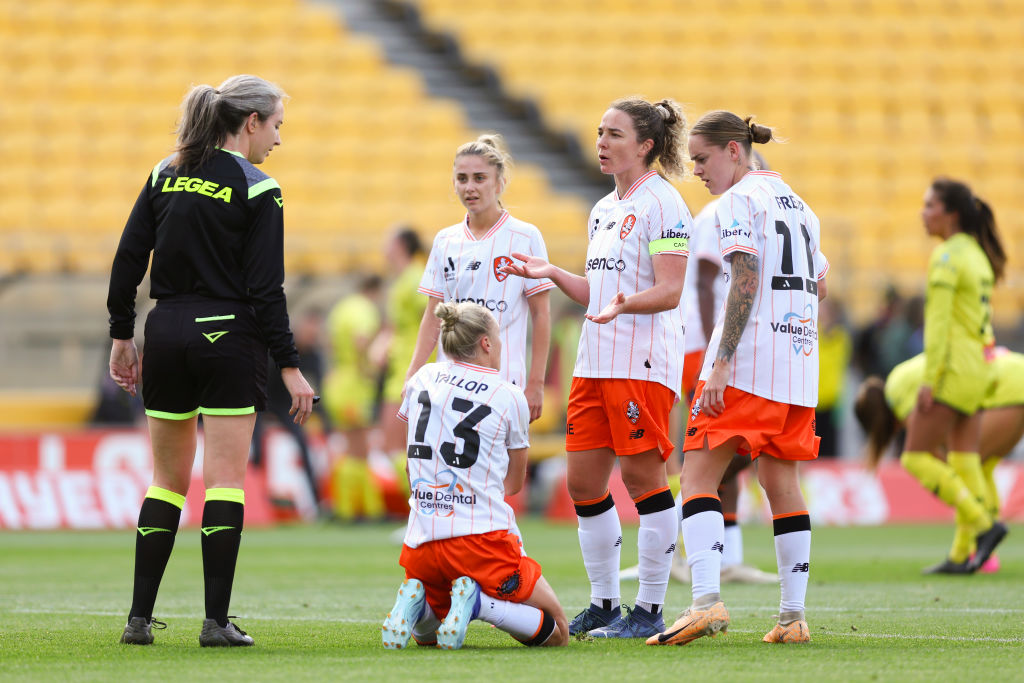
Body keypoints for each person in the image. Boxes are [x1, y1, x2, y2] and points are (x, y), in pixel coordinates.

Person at [107, 75, 315, 647]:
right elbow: (266, 290)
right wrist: (291, 366)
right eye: (275, 125)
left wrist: (122, 336)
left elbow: (128, 259)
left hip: (167, 331)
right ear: (251, 123)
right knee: (224, 482)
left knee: (166, 482)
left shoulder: (165, 172)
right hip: (228, 335)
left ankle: (139, 619)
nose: (277, 139)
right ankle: (216, 621)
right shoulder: (259, 188)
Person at [502, 97, 691, 639]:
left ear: (646, 145)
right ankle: (605, 603)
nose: (602, 143)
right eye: (599, 132)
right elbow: (597, 292)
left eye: (614, 134)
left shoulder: (665, 204)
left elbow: (671, 289)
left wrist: (625, 305)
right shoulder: (603, 208)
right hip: (593, 359)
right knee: (583, 483)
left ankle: (649, 609)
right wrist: (554, 272)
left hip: (641, 359)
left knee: (641, 478)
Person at [648, 111, 828, 648]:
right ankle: (793, 617)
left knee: (697, 477)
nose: (696, 170)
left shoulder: (735, 203)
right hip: (796, 366)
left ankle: (705, 601)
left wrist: (721, 359)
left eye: (701, 159)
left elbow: (744, 275)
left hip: (747, 363)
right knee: (782, 485)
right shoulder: (802, 207)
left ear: (733, 151)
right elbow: (818, 286)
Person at [382, 302, 568, 650]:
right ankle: (480, 604)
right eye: (498, 337)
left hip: (420, 541)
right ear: (485, 343)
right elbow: (513, 485)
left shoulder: (420, 378)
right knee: (558, 631)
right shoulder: (509, 395)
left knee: (431, 635)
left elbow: (410, 466)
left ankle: (419, 609)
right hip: (480, 542)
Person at [891, 177, 1008, 574]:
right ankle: (962, 556)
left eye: (929, 206)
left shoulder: (946, 258)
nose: (923, 214)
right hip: (980, 367)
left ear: (950, 213)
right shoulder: (976, 254)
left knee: (916, 456)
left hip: (953, 369)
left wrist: (930, 380)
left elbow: (938, 327)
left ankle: (985, 526)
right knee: (964, 457)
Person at [406, 134, 553, 423]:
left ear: (500, 182)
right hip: (449, 383)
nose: (469, 187)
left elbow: (542, 314)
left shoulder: (526, 237)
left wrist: (536, 383)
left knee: (507, 466)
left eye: (479, 178)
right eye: (462, 178)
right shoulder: (444, 240)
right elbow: (432, 317)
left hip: (505, 382)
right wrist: (413, 373)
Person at [855, 347, 1022, 572]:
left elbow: (924, 447)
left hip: (1004, 388)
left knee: (923, 460)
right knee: (980, 466)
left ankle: (975, 539)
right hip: (1011, 374)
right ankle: (981, 554)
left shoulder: (896, 390)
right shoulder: (902, 375)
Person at [251, 307, 331, 516]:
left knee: (303, 445)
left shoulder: (314, 355)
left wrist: (325, 422)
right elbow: (260, 377)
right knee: (256, 447)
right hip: (261, 400)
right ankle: (255, 502)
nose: (313, 335)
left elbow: (318, 392)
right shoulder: (281, 348)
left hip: (286, 404)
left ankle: (316, 502)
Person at [323, 274, 386, 522]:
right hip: (354, 386)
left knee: (352, 448)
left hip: (338, 381)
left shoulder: (341, 308)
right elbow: (361, 341)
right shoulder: (364, 309)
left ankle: (356, 508)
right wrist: (367, 369)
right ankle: (354, 510)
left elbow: (329, 343)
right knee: (358, 449)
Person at [373, 227, 429, 494]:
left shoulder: (415, 278)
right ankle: (419, 510)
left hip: (413, 371)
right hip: (402, 369)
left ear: (401, 245)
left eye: (388, 241)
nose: (384, 247)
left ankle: (420, 509)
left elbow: (435, 318)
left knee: (398, 446)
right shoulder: (402, 280)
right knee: (400, 447)